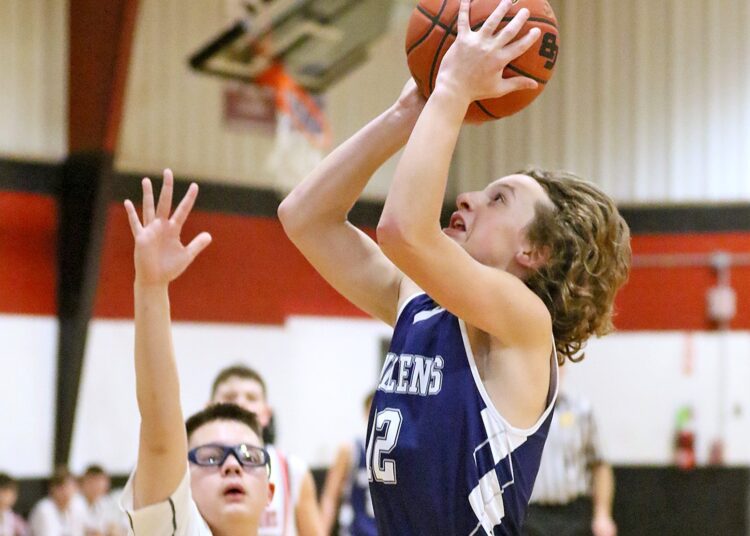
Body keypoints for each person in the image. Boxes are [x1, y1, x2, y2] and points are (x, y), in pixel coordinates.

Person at [277, 0, 631, 533]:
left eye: (498, 200)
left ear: (533, 252)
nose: (465, 198)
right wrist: (406, 114)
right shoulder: (418, 303)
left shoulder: (522, 323)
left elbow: (401, 230)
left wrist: (452, 93)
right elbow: (305, 217)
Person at [121, 170, 275, 535]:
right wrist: (152, 286)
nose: (232, 466)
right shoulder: (174, 527)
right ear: (182, 482)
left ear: (269, 491)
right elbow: (160, 427)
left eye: (249, 457)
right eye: (210, 457)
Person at [209, 365, 324, 536]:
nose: (240, 403)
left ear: (266, 414)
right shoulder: (191, 468)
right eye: (230, 396)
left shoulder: (293, 468)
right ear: (209, 408)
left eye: (251, 397)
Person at [524, 389, 617, 536]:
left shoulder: (581, 410)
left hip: (574, 514)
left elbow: (599, 465)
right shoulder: (518, 412)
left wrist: (602, 514)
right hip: (531, 515)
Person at [319, 393, 376, 536]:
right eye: (374, 410)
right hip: (354, 530)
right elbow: (330, 497)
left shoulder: (403, 452)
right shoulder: (350, 449)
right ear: (366, 413)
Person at [28, 466, 86, 536]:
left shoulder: (77, 506)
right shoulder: (44, 509)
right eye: (62, 488)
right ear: (53, 489)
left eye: (70, 487)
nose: (66, 492)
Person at [77, 465, 127, 536]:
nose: (95, 486)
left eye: (99, 482)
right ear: (83, 483)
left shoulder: (107, 503)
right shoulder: (76, 503)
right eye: (91, 482)